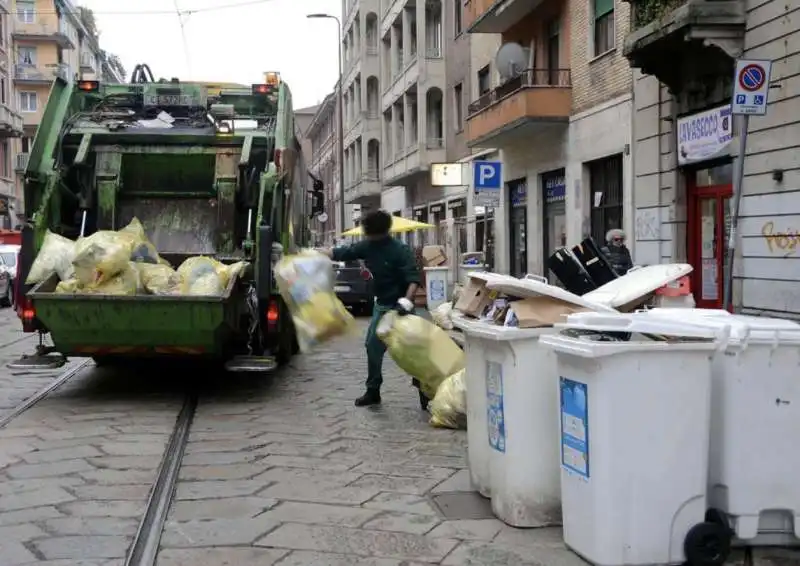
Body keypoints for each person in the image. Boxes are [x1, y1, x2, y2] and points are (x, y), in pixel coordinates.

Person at [323, 210, 420, 406]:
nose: (367, 235)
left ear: (379, 231)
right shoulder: (367, 246)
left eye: (369, 231)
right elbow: (341, 252)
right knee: (373, 347)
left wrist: (407, 301)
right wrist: (315, 253)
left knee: (413, 352)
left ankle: (425, 390)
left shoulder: (400, 250)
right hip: (382, 306)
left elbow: (413, 279)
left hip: (401, 307)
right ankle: (373, 390)